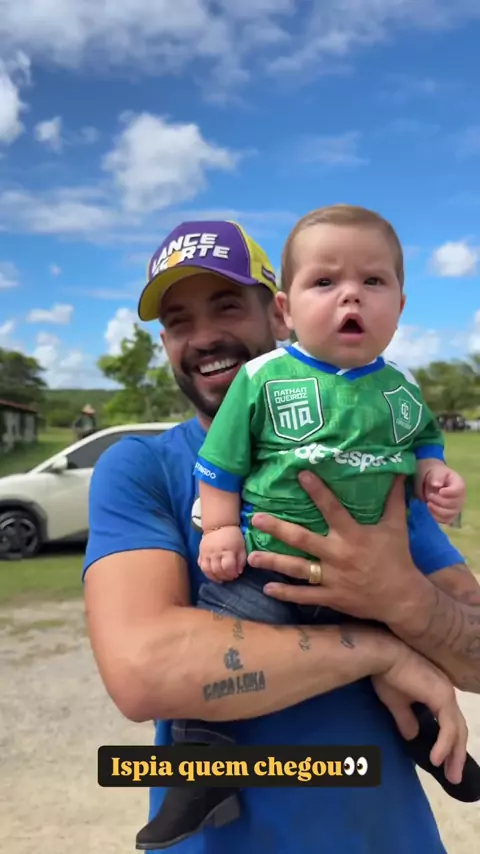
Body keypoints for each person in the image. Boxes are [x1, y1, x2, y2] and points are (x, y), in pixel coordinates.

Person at [82, 219, 480, 854]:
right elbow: (144, 672)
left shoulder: (367, 461)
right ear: (165, 344)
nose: (204, 336)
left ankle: (427, 741)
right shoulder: (140, 468)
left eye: (227, 306)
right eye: (180, 322)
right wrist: (384, 651)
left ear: (279, 315)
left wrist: (404, 597)